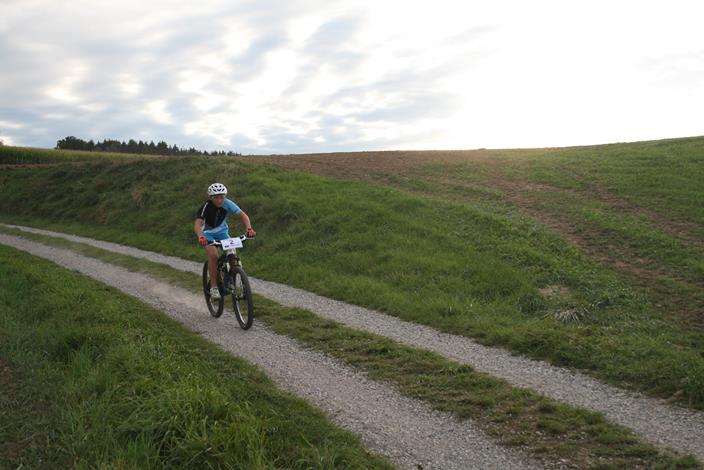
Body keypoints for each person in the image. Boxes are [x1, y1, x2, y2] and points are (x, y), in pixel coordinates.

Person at [194, 182, 255, 300]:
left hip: (222, 233)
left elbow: (243, 215)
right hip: (207, 234)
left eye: (222, 197)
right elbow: (198, 223)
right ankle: (214, 287)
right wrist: (200, 236)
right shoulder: (206, 207)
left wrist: (249, 229)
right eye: (216, 198)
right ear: (211, 198)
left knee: (232, 253)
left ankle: (228, 281)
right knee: (213, 255)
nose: (219, 200)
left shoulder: (227, 203)